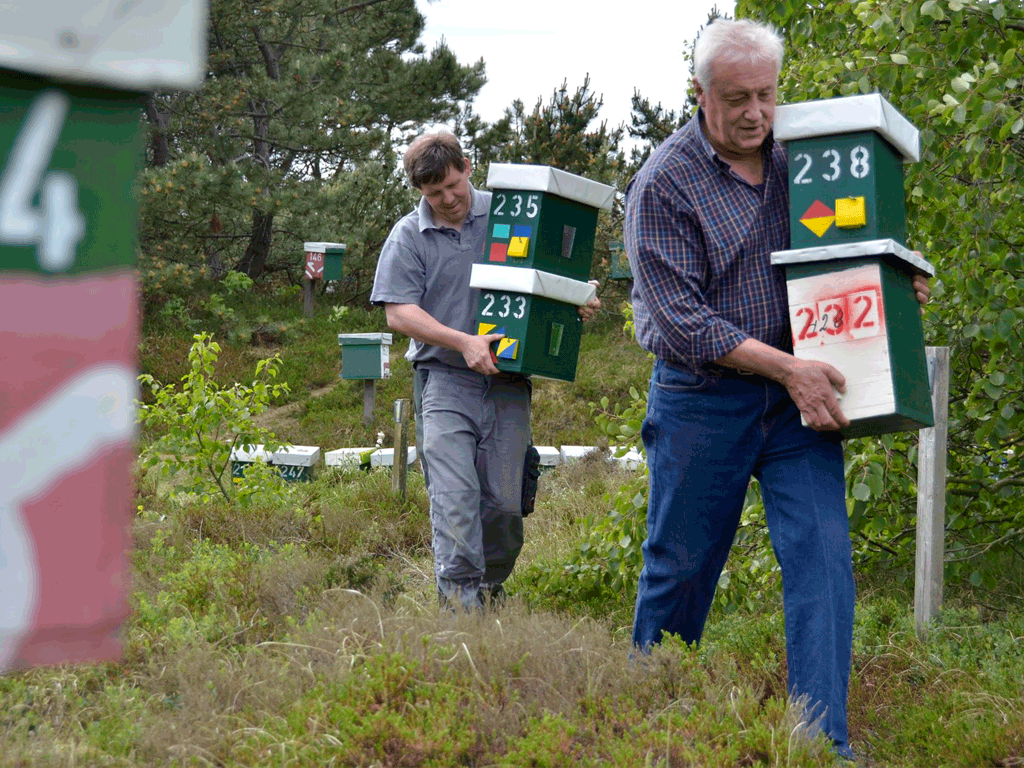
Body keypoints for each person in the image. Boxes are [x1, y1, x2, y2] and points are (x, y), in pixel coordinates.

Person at [623, 18, 930, 761]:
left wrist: (891, 277)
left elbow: (844, 240)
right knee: (682, 567)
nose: (756, 112)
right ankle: (645, 719)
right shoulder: (663, 183)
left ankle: (822, 743)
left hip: (800, 402)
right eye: (737, 98)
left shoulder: (804, 157)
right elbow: (682, 322)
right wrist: (785, 368)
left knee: (823, 558)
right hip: (704, 400)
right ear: (700, 94)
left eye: (766, 94)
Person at [371, 131, 600, 612]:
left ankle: (489, 591)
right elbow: (398, 312)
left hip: (509, 384)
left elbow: (552, 273)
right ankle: (460, 617)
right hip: (445, 382)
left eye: (453, 185)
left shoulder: (510, 213)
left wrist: (577, 299)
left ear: (468, 166)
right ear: (419, 191)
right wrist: (462, 341)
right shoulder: (409, 235)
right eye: (434, 194)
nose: (448, 199)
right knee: (454, 501)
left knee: (504, 509)